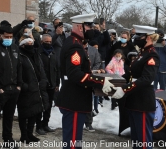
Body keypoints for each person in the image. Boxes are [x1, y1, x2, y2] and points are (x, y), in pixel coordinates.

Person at [55, 13, 114, 149]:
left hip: (75, 99)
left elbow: (80, 71)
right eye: (88, 25)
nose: (91, 29)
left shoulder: (76, 43)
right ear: (79, 26)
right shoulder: (74, 46)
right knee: (73, 142)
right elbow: (75, 74)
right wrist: (100, 82)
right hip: (74, 100)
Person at [112, 25, 160, 149]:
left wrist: (124, 89)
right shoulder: (141, 54)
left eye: (139, 36)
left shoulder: (152, 56)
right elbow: (129, 74)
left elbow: (146, 79)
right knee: (136, 140)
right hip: (134, 100)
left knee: (143, 140)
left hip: (142, 101)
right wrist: (112, 81)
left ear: (148, 38)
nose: (136, 38)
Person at [0, 22, 22, 149]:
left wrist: (19, 84)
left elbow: (18, 66)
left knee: (9, 116)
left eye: (11, 37)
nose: (9, 39)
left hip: (13, 89)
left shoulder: (14, 47)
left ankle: (8, 139)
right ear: (0, 35)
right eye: (6, 37)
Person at [18, 35, 49, 143]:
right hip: (26, 90)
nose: (30, 46)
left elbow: (41, 69)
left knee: (34, 112)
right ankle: (24, 135)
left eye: (32, 44)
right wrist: (24, 86)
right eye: (28, 44)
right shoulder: (19, 56)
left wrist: (43, 81)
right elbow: (18, 74)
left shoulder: (35, 55)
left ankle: (30, 134)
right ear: (22, 45)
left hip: (37, 88)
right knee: (25, 113)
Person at [36, 34, 60, 135]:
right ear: (42, 42)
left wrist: (57, 84)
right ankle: (38, 126)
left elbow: (57, 69)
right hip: (42, 85)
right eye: (46, 41)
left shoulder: (53, 53)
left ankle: (45, 124)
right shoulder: (38, 53)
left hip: (52, 84)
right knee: (41, 106)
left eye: (50, 41)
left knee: (49, 106)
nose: (49, 43)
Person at [83, 39, 101, 132]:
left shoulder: (93, 50)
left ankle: (88, 123)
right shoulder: (76, 48)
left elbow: (98, 62)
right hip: (79, 78)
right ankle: (78, 121)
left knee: (88, 101)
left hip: (90, 78)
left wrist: (92, 71)